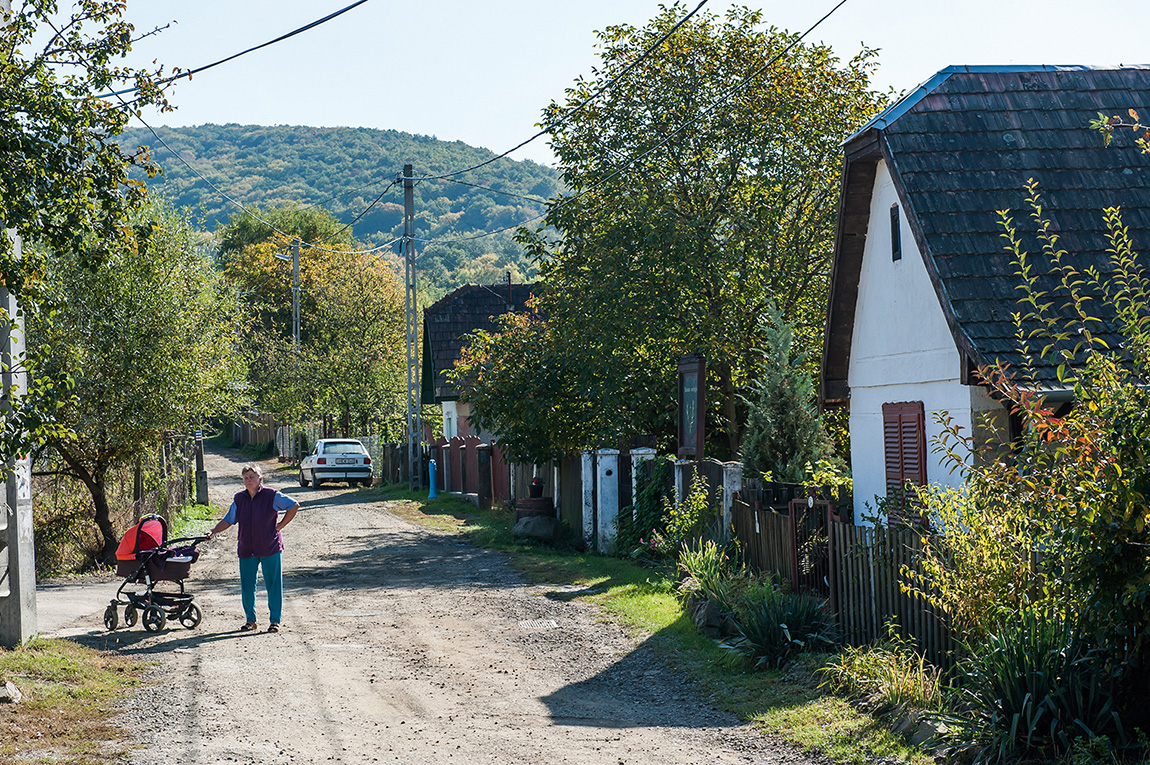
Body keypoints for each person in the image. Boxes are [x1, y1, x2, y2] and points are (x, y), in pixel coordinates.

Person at [207, 463, 299, 633]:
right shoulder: (239, 498)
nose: (249, 480)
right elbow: (228, 520)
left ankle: (275, 621)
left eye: (252, 477)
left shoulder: (272, 495)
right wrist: (213, 531)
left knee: (273, 585)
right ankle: (250, 620)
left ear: (260, 479)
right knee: (247, 586)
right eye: (246, 478)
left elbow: (294, 506)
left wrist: (280, 525)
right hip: (246, 548)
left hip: (270, 547)